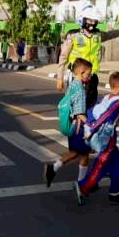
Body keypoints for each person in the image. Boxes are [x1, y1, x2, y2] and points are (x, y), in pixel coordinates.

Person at [56, 3, 119, 109]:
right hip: (75, 76)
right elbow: (63, 57)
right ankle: (71, 124)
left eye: (95, 21)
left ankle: (85, 125)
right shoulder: (73, 35)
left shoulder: (98, 35)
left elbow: (114, 33)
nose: (92, 23)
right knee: (73, 105)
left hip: (91, 76)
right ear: (82, 19)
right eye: (90, 20)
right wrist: (59, 78)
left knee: (89, 104)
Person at [73, 72, 119, 206]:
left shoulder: (106, 97)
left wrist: (88, 123)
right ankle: (83, 186)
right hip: (106, 135)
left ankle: (116, 189)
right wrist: (92, 128)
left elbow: (93, 111)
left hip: (108, 134)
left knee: (115, 161)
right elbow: (107, 116)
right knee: (102, 163)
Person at [46, 58, 93, 187]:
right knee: (84, 154)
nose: (89, 77)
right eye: (88, 74)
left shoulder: (72, 84)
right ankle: (81, 183)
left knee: (76, 153)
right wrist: (91, 125)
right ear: (82, 72)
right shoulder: (80, 90)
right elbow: (79, 113)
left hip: (71, 125)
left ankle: (53, 168)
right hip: (78, 126)